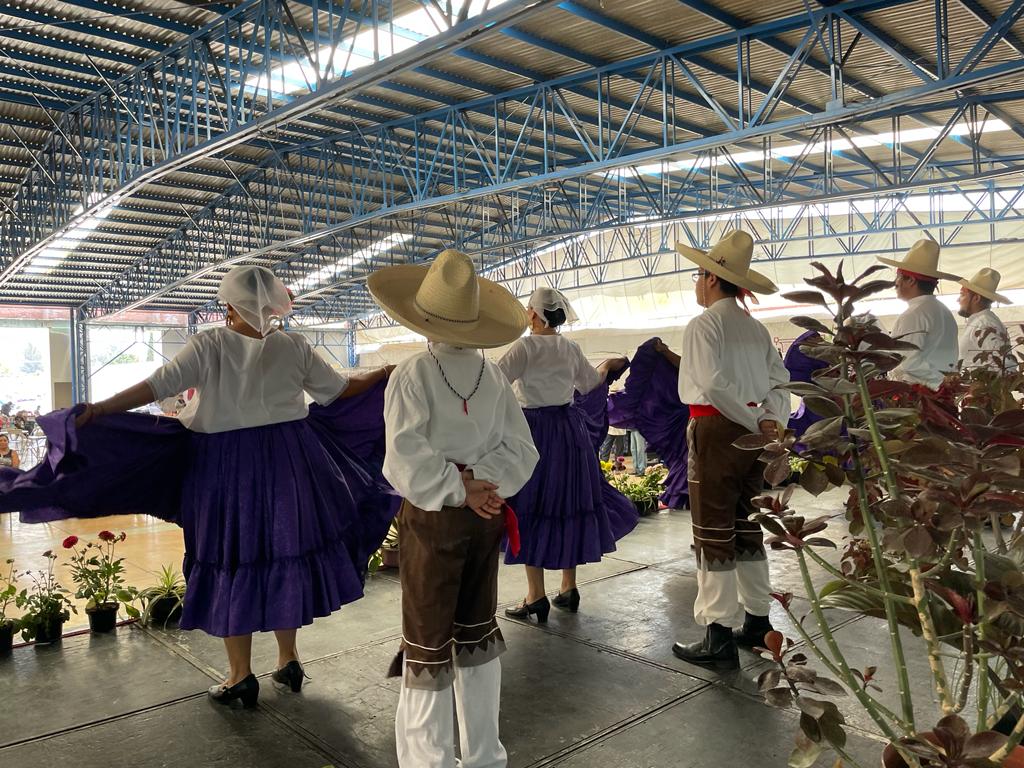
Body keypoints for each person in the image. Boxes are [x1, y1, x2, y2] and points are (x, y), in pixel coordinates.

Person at [3, 266, 396, 708]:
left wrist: (99, 409)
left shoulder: (210, 344)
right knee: (284, 549)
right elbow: (340, 391)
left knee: (230, 555)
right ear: (273, 304)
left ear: (229, 305)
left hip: (226, 465)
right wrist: (383, 373)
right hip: (289, 460)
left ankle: (240, 675)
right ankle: (288, 658)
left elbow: (154, 387)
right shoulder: (294, 346)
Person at [369, 249, 540, 768]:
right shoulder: (493, 376)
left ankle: (430, 761)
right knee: (476, 634)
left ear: (424, 321)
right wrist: (484, 486)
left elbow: (403, 457)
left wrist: (458, 487)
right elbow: (522, 449)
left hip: (434, 519)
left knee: (427, 643)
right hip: (485, 518)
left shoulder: (413, 373)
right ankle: (485, 755)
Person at [669, 230, 790, 671]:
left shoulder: (704, 325)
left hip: (716, 429)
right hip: (755, 435)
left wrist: (751, 420)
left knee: (713, 530)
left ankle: (718, 632)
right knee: (747, 525)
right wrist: (769, 418)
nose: (696, 284)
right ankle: (758, 621)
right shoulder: (756, 329)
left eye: (698, 276)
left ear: (710, 279)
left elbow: (714, 385)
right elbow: (780, 381)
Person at [497, 287, 634, 620]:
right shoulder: (570, 347)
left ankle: (535, 595)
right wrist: (607, 365)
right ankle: (568, 587)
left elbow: (496, 381)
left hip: (534, 432)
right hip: (570, 431)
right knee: (568, 502)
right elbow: (589, 384)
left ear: (533, 313)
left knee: (532, 505)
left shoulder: (525, 347)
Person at [608, 338, 690, 510]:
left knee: (684, 457)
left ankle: (684, 495)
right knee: (683, 456)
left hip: (684, 417)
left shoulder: (685, 370)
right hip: (684, 417)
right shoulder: (681, 373)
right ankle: (684, 495)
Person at [878, 239, 960, 389]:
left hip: (919, 393)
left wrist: (939, 381)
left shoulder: (914, 314)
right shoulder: (943, 311)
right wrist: (944, 382)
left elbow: (907, 362)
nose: (895, 283)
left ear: (911, 280)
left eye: (898, 276)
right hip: (942, 390)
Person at [958, 267, 1014, 371]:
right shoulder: (981, 321)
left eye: (962, 295)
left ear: (976, 298)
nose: (958, 300)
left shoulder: (985, 323)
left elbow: (1003, 364)